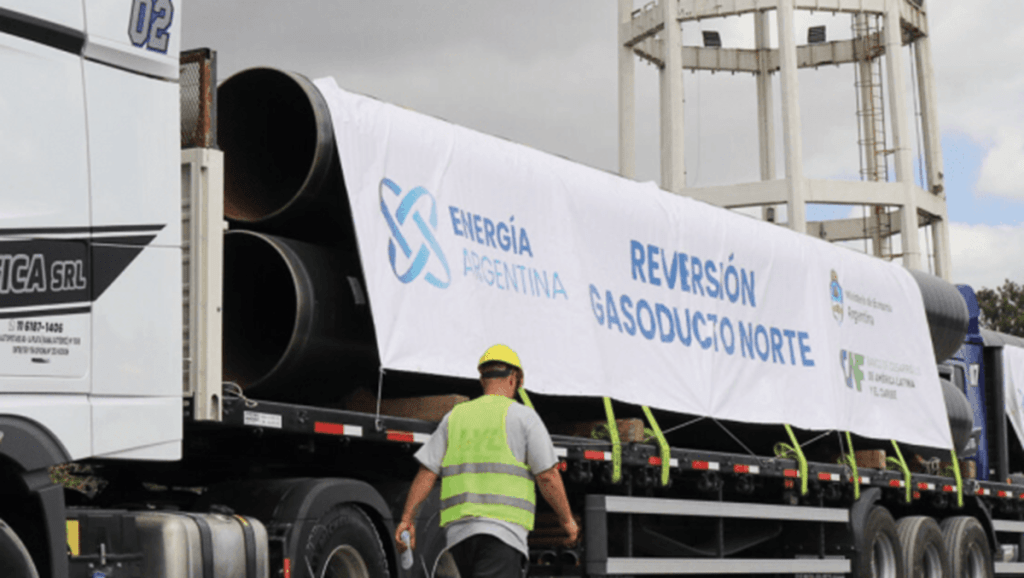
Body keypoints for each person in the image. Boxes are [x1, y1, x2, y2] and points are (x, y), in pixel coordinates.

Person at [394, 344, 579, 578]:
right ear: (515, 379)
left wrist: (406, 519)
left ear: (482, 379)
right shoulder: (524, 417)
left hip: (459, 537)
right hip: (503, 533)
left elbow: (427, 471)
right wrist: (567, 521)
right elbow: (547, 476)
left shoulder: (455, 417)